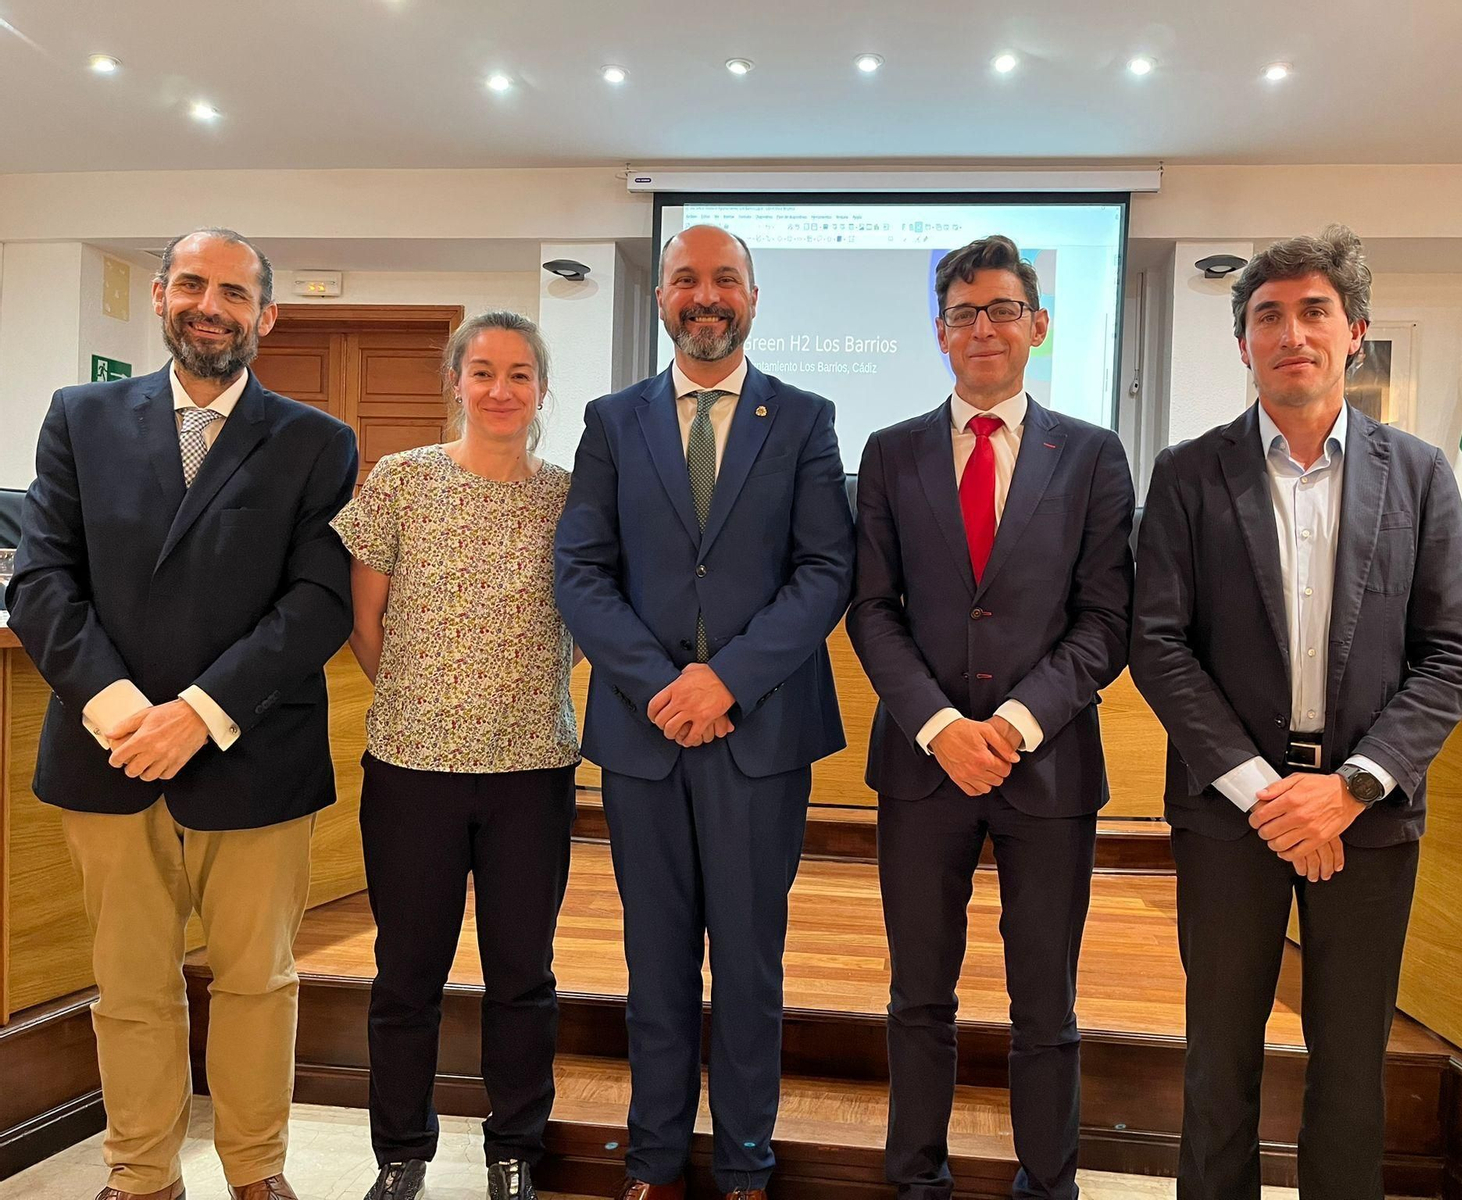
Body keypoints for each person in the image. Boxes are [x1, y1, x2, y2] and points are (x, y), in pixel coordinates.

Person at [4, 229, 358, 1200]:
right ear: (160, 296)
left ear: (266, 317)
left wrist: (198, 715)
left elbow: (317, 602)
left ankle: (255, 1174)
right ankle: (141, 1175)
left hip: (253, 752)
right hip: (109, 756)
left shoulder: (316, 443)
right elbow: (40, 581)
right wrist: (126, 713)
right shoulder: (79, 418)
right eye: (193, 284)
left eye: (234, 292)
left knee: (259, 985)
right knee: (130, 990)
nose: (212, 304)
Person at [1128, 225, 1462, 1199]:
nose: (1291, 332)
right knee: (1219, 1064)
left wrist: (1348, 790)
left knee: (1351, 1071)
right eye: (1266, 315)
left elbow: (1451, 654)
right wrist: (1266, 795)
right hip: (1227, 819)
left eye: (1313, 310)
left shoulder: (1418, 475)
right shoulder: (1187, 477)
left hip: (1368, 821)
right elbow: (1156, 643)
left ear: (1353, 331)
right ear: (1242, 343)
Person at [554, 224, 854, 1200]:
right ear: (662, 299)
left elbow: (824, 570)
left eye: (726, 279)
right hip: (643, 739)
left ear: (754, 298)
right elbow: (582, 572)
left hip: (759, 735)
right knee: (655, 962)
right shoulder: (610, 421)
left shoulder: (803, 418)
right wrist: (658, 684)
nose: (705, 294)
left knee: (751, 965)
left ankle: (743, 1166)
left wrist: (726, 680)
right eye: (686, 278)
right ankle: (651, 1162)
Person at [847, 235, 1135, 1200]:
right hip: (922, 768)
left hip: (1046, 769)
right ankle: (914, 1179)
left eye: (1003, 309)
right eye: (964, 313)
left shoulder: (1092, 455)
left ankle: (1048, 1184)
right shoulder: (889, 455)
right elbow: (870, 610)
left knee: (1043, 1001)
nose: (983, 328)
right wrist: (940, 725)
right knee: (917, 995)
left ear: (1038, 326)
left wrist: (1013, 722)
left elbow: (1107, 620)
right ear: (939, 333)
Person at [330, 311, 579, 1200]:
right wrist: (430, 700)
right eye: (482, 372)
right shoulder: (400, 483)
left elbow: (583, 625)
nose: (501, 390)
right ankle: (401, 1155)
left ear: (543, 387)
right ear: (455, 382)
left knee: (523, 975)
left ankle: (515, 1147)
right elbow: (366, 626)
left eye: (519, 374)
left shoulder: (570, 496)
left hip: (531, 774)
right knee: (407, 975)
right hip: (412, 771)